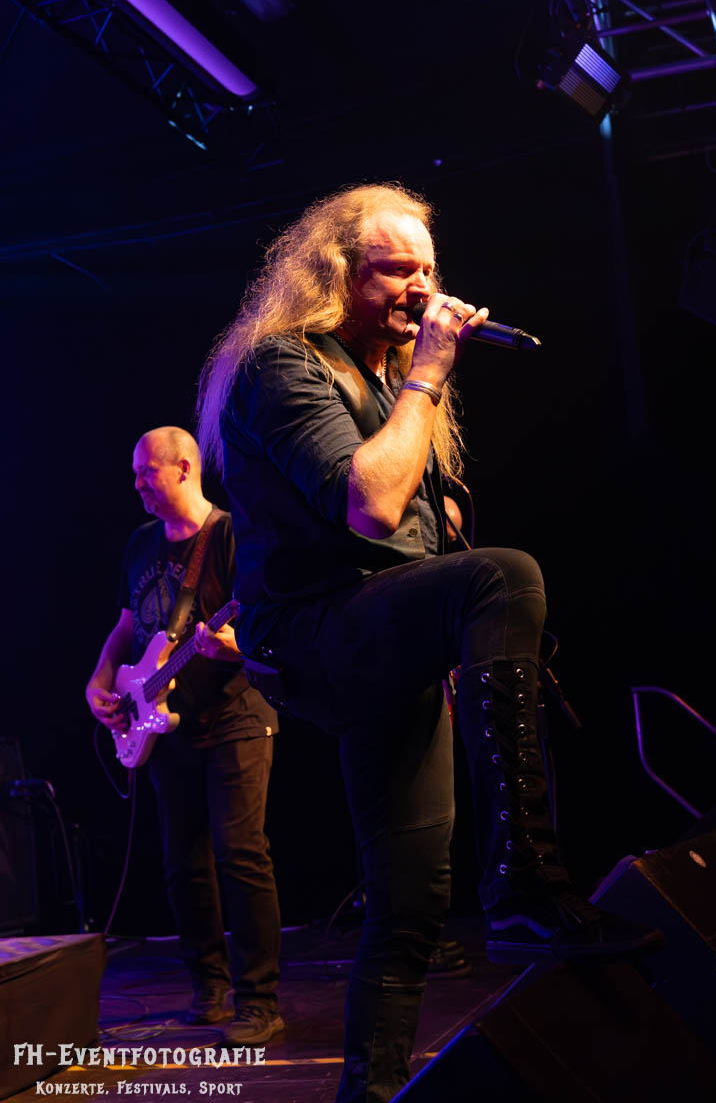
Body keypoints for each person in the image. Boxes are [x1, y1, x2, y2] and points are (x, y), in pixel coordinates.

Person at [195, 184, 661, 1101]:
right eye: (396, 270)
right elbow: (369, 507)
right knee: (506, 574)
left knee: (410, 902)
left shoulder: (383, 379)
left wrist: (457, 651)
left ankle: (368, 1092)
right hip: (312, 633)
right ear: (336, 275)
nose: (423, 288)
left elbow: (419, 547)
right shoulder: (282, 364)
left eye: (430, 270)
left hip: (383, 638)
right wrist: (429, 375)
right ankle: (525, 883)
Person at [85, 426, 283, 1047]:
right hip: (166, 723)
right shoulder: (140, 544)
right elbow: (126, 627)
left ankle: (259, 1001)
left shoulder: (229, 535)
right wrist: (100, 679)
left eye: (147, 471)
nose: (137, 483)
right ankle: (209, 988)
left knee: (241, 856)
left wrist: (233, 647)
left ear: (185, 468)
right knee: (183, 864)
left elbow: (265, 620)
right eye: (135, 473)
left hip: (235, 716)